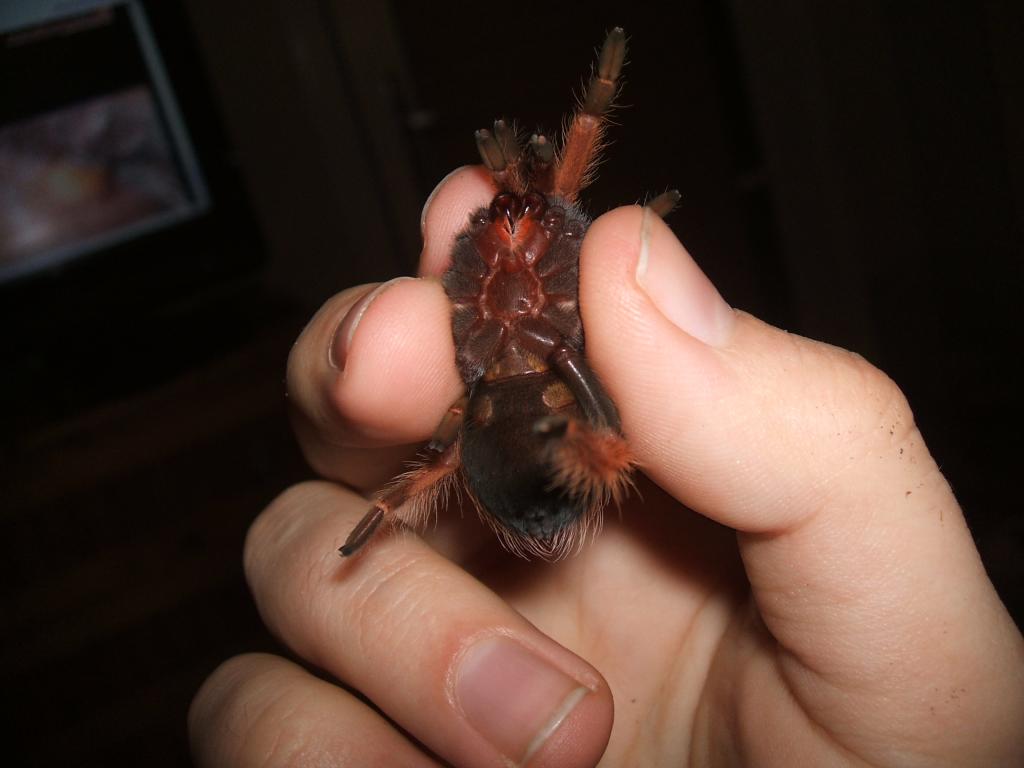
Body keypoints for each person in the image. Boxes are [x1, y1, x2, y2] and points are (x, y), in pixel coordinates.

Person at [188, 166, 1024, 767]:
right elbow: (443, 394)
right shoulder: (484, 292)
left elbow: (593, 263)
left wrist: (638, 221)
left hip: (537, 423)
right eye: (511, 231)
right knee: (400, 366)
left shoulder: (546, 294)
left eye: (530, 228)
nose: (516, 243)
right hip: (505, 422)